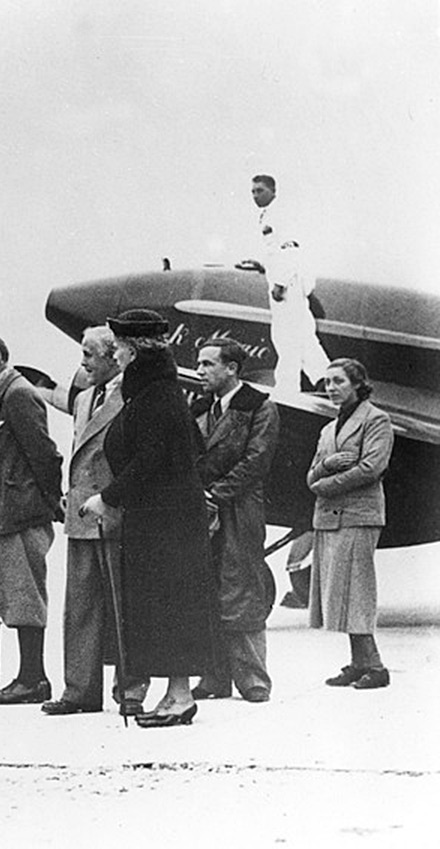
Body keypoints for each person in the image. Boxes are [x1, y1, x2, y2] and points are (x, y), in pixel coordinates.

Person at [81, 310, 214, 727]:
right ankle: (176, 693)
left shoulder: (156, 395)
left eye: (118, 347)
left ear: (134, 349)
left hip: (166, 520)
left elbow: (152, 458)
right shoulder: (157, 390)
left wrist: (108, 497)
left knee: (169, 604)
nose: (115, 355)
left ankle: (179, 697)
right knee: (163, 606)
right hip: (161, 516)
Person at [38, 327, 149, 717]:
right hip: (82, 514)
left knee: (124, 605)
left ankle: (131, 690)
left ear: (111, 356)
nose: (82, 362)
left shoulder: (132, 397)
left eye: (89, 355)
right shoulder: (84, 398)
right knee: (80, 607)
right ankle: (80, 690)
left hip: (115, 511)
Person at [0, 333, 64, 705]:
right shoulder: (1, 395)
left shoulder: (19, 394)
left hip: (21, 515)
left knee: (25, 597)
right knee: (14, 596)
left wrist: (47, 502)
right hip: (7, 513)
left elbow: (45, 455)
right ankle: (28, 676)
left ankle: (33, 680)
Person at [191, 338, 280, 703]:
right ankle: (214, 677)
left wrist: (215, 494)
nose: (200, 371)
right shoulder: (198, 408)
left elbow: (256, 461)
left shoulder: (260, 407)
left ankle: (253, 678)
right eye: (199, 364)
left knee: (242, 586)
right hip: (203, 508)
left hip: (239, 510)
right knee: (206, 588)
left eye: (208, 364)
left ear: (232, 368)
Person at [308, 358, 393, 690]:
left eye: (338, 382)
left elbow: (372, 467)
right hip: (330, 517)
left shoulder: (377, 420)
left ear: (358, 384)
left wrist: (324, 484)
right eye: (327, 382)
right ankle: (359, 664)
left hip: (359, 515)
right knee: (340, 592)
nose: (330, 388)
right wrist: (327, 465)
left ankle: (375, 666)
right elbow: (312, 472)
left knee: (356, 590)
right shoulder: (329, 429)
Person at [238, 174, 330, 390]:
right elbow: (274, 252)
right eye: (253, 191)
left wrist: (280, 283)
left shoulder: (278, 214)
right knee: (303, 335)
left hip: (288, 283)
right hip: (287, 277)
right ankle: (324, 379)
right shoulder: (269, 214)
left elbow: (290, 249)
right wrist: (261, 264)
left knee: (285, 336)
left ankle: (287, 389)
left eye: (260, 190)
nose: (255, 195)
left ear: (273, 191)